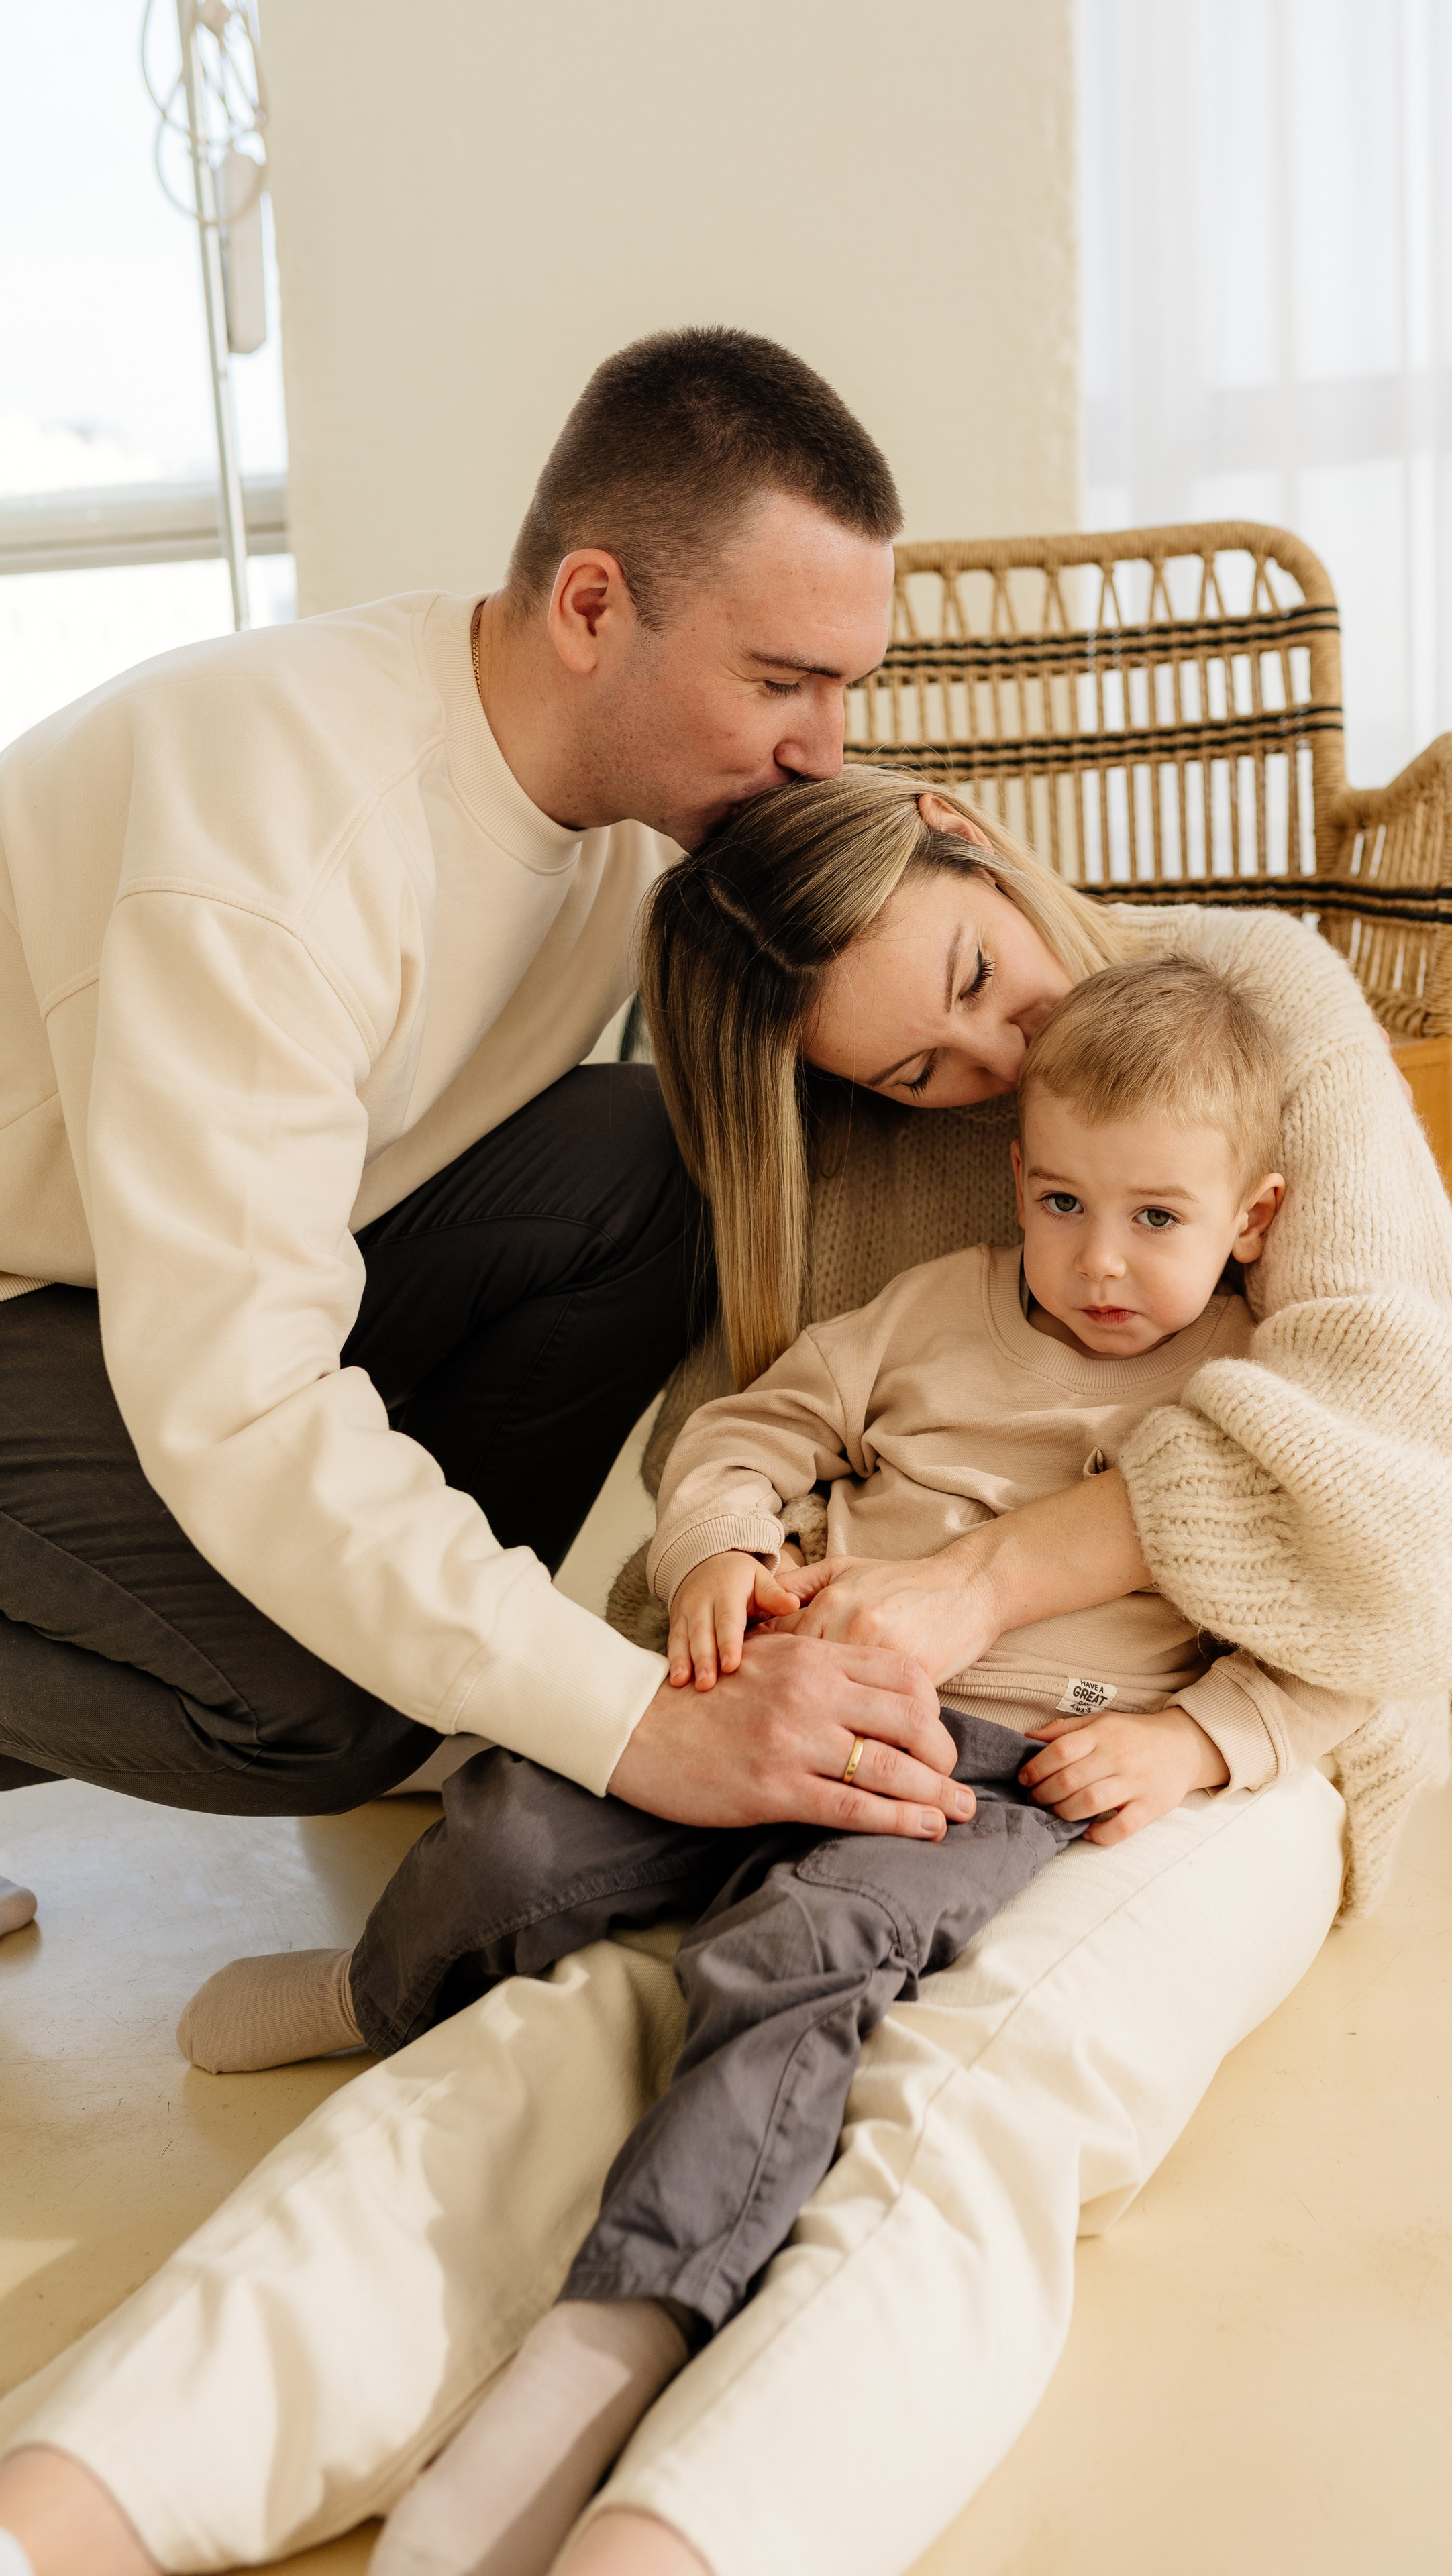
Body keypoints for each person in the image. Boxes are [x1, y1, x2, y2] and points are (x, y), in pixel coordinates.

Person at [0, 772, 1452, 2576]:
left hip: (1179, 1728)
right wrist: (740, 1607)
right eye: (916, 1072)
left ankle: (661, 2522)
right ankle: (76, 2507)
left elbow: (1428, 1547)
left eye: (972, 971)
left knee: (947, 2087)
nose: (988, 1050)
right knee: (570, 2010)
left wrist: (1094, 1657)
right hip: (873, 1682)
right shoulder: (898, 1218)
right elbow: (739, 1447)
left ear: (964, 831)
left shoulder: (1257, 1019)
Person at [0, 327, 978, 1912]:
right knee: (314, 1708)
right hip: (38, 1294)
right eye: (781, 683)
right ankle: (410, 1685)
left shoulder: (614, 813)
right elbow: (239, 1402)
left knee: (654, 1156)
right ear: (593, 606)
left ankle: (442, 1671)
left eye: (842, 688)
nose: (824, 750)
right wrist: (636, 1727)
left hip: (126, 1264)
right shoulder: (284, 849)